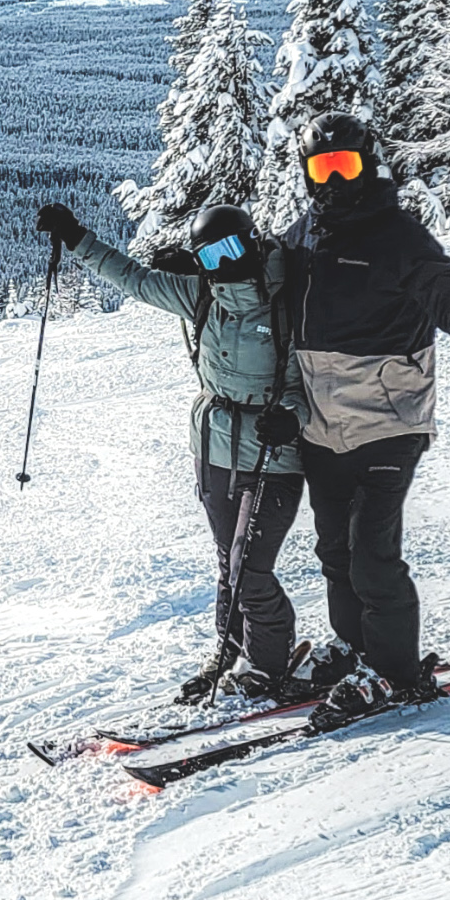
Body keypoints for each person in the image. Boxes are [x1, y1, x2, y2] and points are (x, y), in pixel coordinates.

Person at [281, 112, 450, 718]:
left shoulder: (400, 238)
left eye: (346, 166)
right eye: (323, 167)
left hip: (390, 420)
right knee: (335, 551)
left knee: (372, 550)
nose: (335, 182)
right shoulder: (300, 238)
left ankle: (394, 671)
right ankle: (353, 646)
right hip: (323, 424)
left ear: (369, 165)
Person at [35, 199, 336, 703]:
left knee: (248, 566)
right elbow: (132, 278)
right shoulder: (201, 295)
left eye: (231, 249)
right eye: (210, 256)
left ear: (252, 241)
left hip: (273, 451)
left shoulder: (290, 301)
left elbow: (316, 382)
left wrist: (291, 414)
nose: (224, 263)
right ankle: (230, 648)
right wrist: (77, 238)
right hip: (215, 444)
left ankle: (268, 662)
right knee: (228, 560)